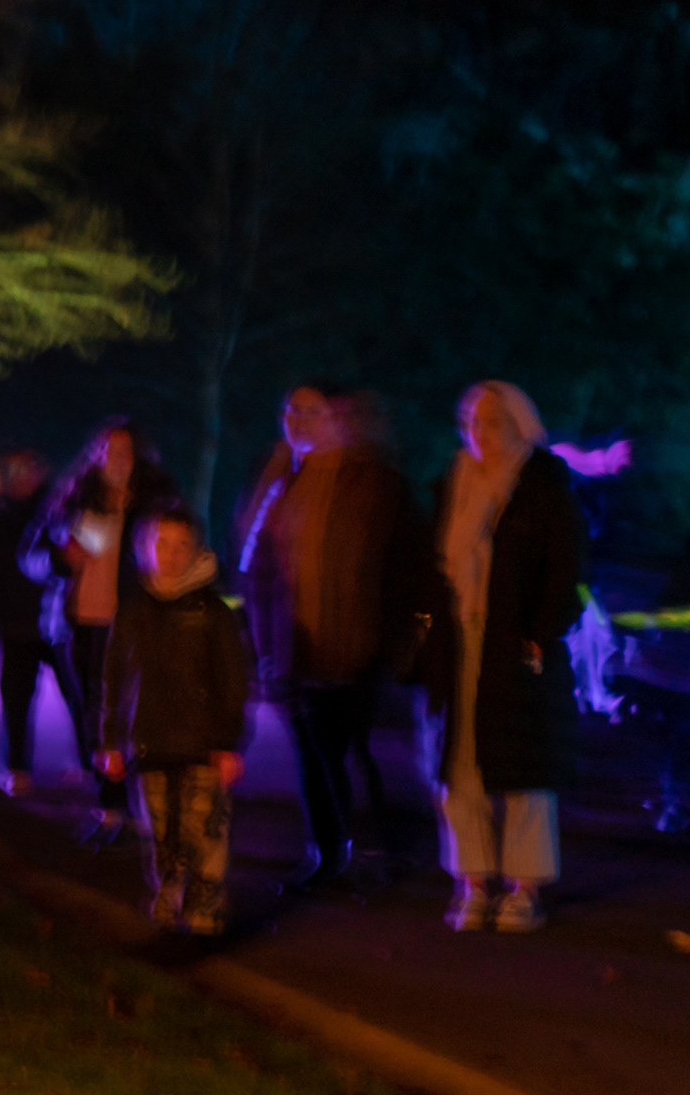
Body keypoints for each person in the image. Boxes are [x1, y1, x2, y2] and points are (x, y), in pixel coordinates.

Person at [235, 383, 422, 891]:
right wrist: (264, 645)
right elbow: (256, 568)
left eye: (312, 410)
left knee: (353, 750)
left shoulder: (375, 482)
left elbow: (406, 567)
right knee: (311, 755)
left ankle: (373, 851)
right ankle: (327, 851)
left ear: (337, 417)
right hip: (293, 647)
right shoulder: (278, 481)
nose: (298, 418)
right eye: (290, 408)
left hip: (358, 647)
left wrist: (398, 641)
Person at [425, 379, 586, 933]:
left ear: (520, 424)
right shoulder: (457, 481)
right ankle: (472, 882)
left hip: (515, 647)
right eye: (471, 420)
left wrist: (538, 634)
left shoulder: (542, 486)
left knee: (524, 769)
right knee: (460, 769)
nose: (479, 431)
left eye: (492, 420)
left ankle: (525, 887)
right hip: (463, 642)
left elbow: (564, 571)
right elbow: (437, 568)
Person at [25, 418, 179, 845]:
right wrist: (60, 559)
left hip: (130, 623)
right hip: (76, 624)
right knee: (89, 714)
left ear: (140, 455)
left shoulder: (156, 500)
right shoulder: (73, 496)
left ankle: (129, 802)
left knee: (127, 713)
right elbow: (30, 556)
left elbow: (182, 552)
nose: (115, 459)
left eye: (124, 450)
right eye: (107, 450)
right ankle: (110, 804)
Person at [97, 509, 250, 936]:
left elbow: (233, 681)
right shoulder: (134, 610)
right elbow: (114, 677)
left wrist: (230, 743)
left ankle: (206, 905)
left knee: (206, 829)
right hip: (148, 742)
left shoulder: (214, 612)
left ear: (197, 549)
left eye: (182, 544)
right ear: (143, 549)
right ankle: (169, 888)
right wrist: (110, 739)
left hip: (205, 744)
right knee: (161, 828)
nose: (171, 554)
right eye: (161, 543)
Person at [0, 451, 56, 793]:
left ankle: (89, 764)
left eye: (29, 467)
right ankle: (15, 767)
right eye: (13, 469)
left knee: (83, 697)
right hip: (14, 621)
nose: (22, 475)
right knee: (16, 700)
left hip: (57, 619)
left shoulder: (57, 505)